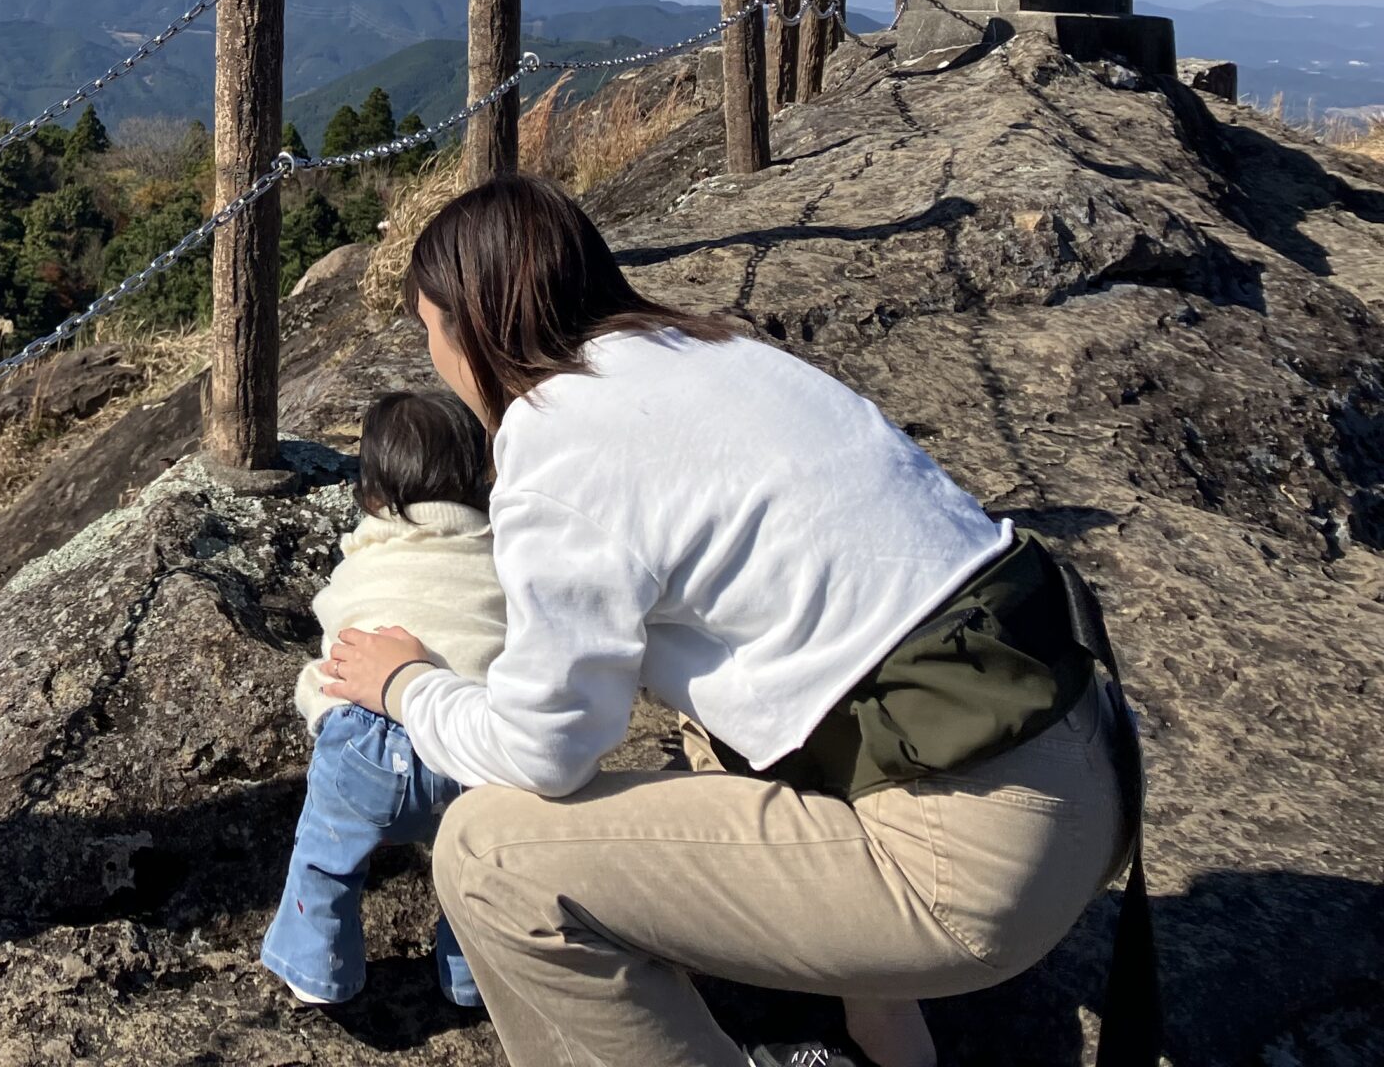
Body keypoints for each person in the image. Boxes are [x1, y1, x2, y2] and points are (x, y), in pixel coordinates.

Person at [319, 175, 1145, 1067]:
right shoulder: (713, 351)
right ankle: (889, 1043)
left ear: (473, 327)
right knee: (723, 713)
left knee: (488, 858)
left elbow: (542, 751)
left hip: (974, 867)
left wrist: (407, 685)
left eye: (430, 328)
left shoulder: (554, 443)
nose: (434, 355)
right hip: (1090, 772)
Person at [262, 390, 508, 1010]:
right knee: (475, 870)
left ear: (371, 491)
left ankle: (317, 969)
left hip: (363, 744)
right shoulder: (499, 555)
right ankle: (472, 978)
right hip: (466, 746)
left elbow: (334, 625)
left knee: (325, 859)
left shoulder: (365, 557)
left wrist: (318, 705)